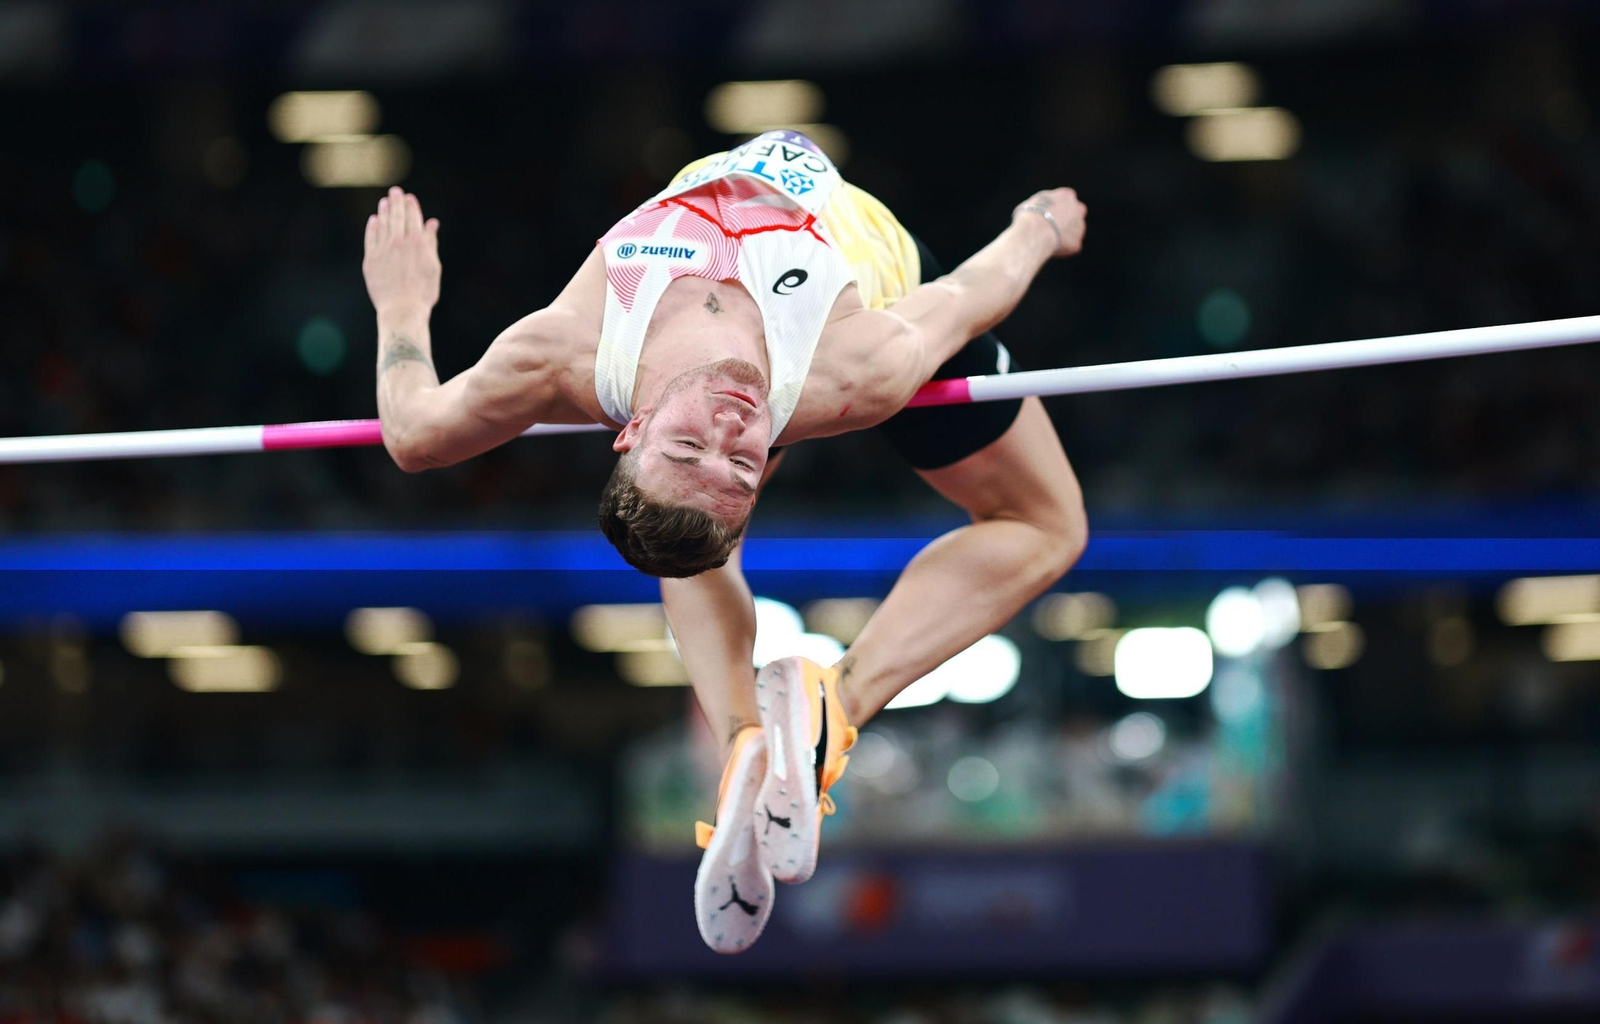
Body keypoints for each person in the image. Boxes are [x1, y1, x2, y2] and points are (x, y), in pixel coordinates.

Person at [362, 129, 1090, 953]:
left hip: (742, 322)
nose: (730, 425)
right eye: (744, 463)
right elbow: (967, 291)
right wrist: (1035, 228)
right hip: (866, 286)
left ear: (629, 430)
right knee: (1046, 525)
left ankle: (746, 735)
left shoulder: (557, 353)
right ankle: (835, 707)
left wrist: (401, 306)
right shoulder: (855, 370)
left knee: (687, 532)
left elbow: (413, 432)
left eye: (685, 445)